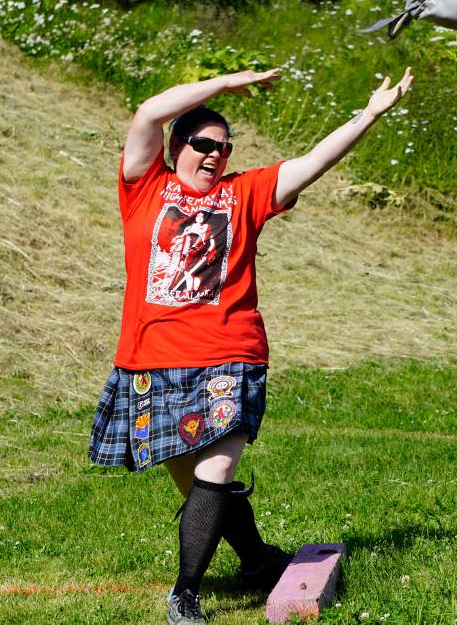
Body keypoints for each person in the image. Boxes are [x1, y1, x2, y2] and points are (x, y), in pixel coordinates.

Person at [88, 66, 413, 624]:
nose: (216, 154)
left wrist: (369, 115)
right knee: (194, 483)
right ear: (177, 145)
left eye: (225, 146)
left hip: (229, 353)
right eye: (205, 143)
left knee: (214, 471)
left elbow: (312, 163)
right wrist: (221, 84)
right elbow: (147, 111)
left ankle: (185, 593)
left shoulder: (246, 193)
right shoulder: (144, 187)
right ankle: (258, 561)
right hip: (151, 358)